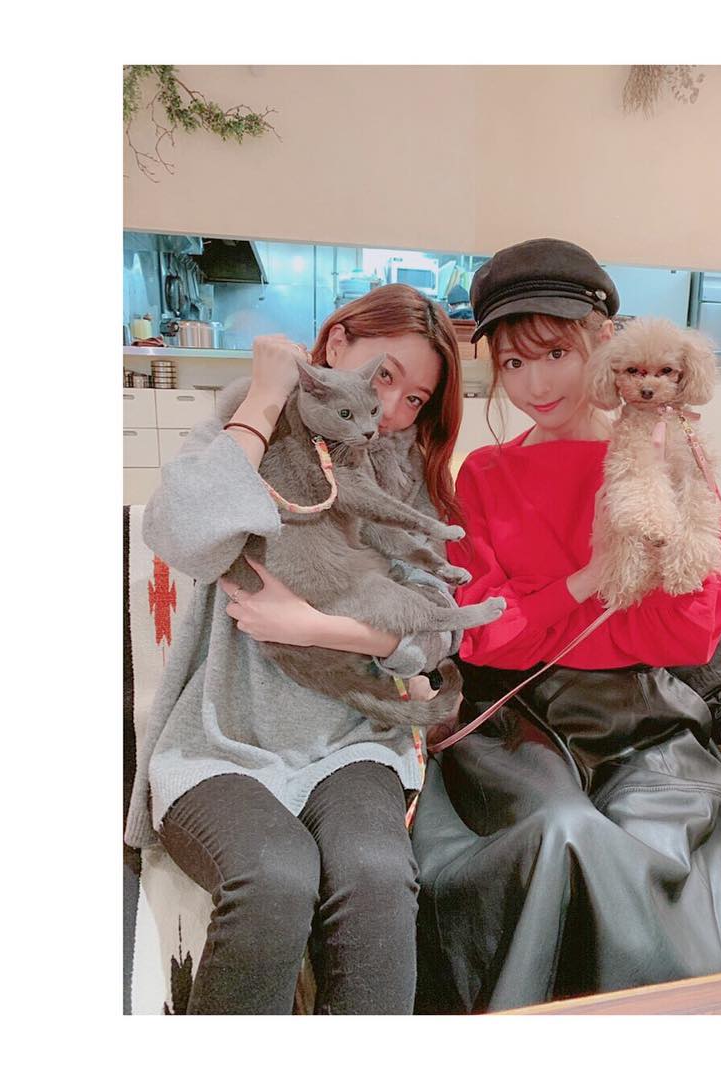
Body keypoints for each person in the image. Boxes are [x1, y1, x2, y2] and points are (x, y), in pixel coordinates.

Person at [410, 238, 721, 1014]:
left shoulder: (670, 464)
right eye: (513, 363)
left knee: (655, 840)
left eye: (556, 353)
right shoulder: (486, 474)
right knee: (560, 832)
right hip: (516, 722)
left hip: (641, 718)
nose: (535, 384)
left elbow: (688, 634)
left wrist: (543, 607)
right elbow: (482, 633)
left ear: (605, 342)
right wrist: (590, 581)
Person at [124, 284, 464, 1014]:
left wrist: (314, 627)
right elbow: (181, 536)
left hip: (351, 743)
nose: (390, 409)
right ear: (337, 345)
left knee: (376, 877)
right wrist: (263, 398)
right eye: (384, 375)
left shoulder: (396, 473)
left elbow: (439, 628)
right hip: (220, 742)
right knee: (274, 878)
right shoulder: (244, 426)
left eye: (415, 399)